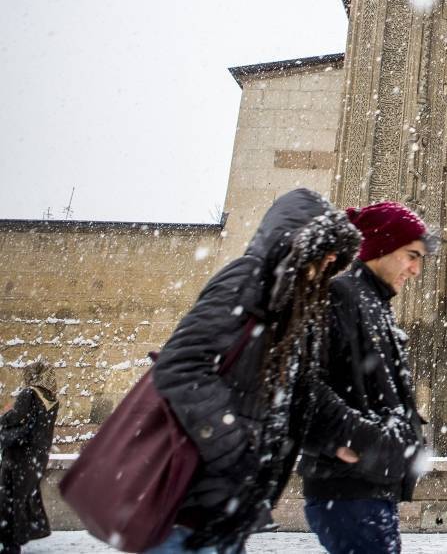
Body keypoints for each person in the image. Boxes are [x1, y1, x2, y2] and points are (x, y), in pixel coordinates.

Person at [148, 189, 412, 554]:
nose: (331, 262)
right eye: (327, 251)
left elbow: (299, 394)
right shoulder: (248, 279)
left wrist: (354, 439)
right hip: (194, 498)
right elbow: (180, 367)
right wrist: (234, 451)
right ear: (300, 243)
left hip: (225, 507)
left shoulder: (289, 306)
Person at [299, 201, 436, 554]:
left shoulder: (375, 304)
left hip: (371, 488)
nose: (416, 269)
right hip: (348, 489)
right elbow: (299, 384)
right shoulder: (341, 295)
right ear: (381, 248)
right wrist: (358, 440)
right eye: (411, 256)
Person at [0, 361, 59, 554]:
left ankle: (10, 543)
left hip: (19, 454)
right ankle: (21, 535)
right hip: (37, 456)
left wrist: (3, 417)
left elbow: (16, 417)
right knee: (23, 497)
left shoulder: (29, 393)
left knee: (8, 498)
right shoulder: (52, 399)